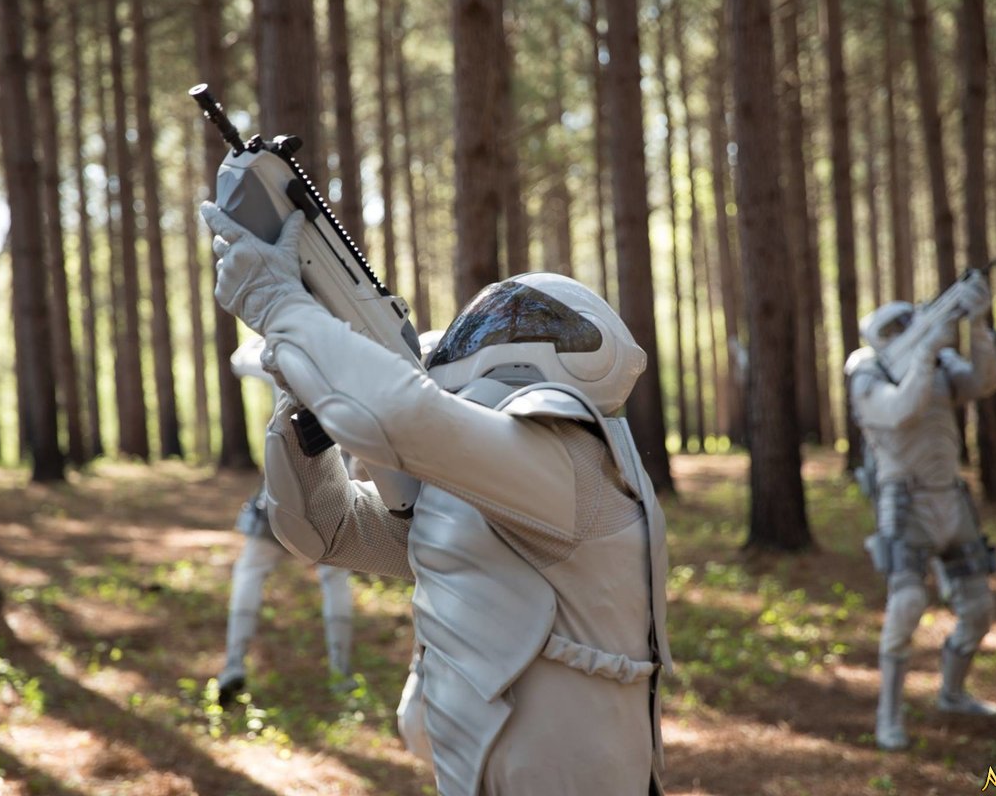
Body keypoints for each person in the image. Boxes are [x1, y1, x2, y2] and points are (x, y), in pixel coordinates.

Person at [201, 203, 672, 795]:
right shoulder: (495, 486)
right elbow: (324, 528)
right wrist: (300, 394)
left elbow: (401, 416)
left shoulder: (569, 462)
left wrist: (284, 310)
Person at [845, 286, 996, 752]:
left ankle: (953, 693)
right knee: (907, 604)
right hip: (905, 504)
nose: (907, 331)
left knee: (979, 609)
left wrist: (978, 326)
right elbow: (900, 411)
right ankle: (888, 716)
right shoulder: (868, 372)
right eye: (897, 328)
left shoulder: (938, 364)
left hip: (952, 499)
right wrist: (925, 353)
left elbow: (983, 383)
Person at [217, 339, 357, 706]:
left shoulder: (286, 361)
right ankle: (341, 675)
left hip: (281, 493)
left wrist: (273, 339)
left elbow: (240, 360)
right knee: (334, 579)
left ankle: (233, 665)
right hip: (334, 494)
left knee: (250, 571)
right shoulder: (352, 365)